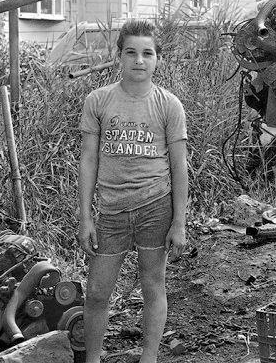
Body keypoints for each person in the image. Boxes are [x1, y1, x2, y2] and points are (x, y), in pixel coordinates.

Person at [78, 20, 188, 363]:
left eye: (147, 53)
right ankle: (93, 359)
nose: (139, 60)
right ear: (119, 57)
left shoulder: (168, 105)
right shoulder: (99, 101)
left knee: (152, 285)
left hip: (155, 207)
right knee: (97, 292)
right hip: (111, 211)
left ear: (158, 60)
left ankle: (149, 357)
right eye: (131, 53)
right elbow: (88, 160)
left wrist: (179, 223)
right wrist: (85, 217)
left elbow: (179, 167)